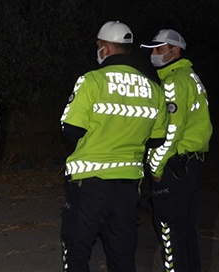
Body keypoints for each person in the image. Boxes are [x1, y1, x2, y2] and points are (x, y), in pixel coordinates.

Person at [59, 21, 169, 272]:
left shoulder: (91, 81)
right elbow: (157, 139)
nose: (97, 51)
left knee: (77, 252)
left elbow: (71, 130)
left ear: (106, 49)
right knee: (122, 257)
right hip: (129, 188)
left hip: (90, 184)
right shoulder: (154, 89)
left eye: (98, 46)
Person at [141, 29, 212, 272]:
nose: (154, 54)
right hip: (192, 162)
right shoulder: (190, 76)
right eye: (153, 50)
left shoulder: (174, 82)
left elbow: (171, 133)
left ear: (176, 50)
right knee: (185, 231)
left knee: (169, 232)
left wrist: (156, 168)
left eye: (159, 49)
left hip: (175, 166)